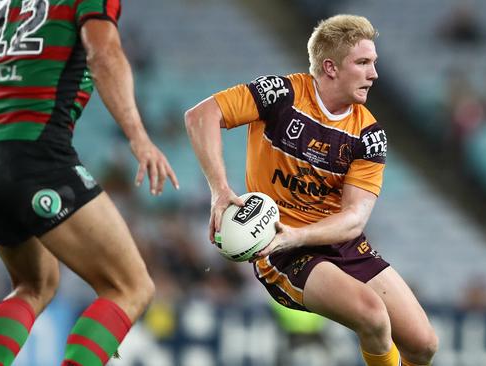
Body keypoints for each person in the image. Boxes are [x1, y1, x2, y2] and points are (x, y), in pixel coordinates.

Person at [185, 15, 438, 366]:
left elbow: (353, 219)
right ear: (331, 67)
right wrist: (220, 190)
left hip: (331, 240)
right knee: (372, 315)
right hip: (280, 247)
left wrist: (300, 234)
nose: (374, 74)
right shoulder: (280, 95)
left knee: (423, 345)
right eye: (363, 63)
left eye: (374, 63)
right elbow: (201, 115)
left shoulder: (368, 134)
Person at [0, 0, 179, 365]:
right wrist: (138, 136)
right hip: (37, 156)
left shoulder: (1, 6)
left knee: (34, 286)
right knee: (130, 287)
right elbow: (104, 54)